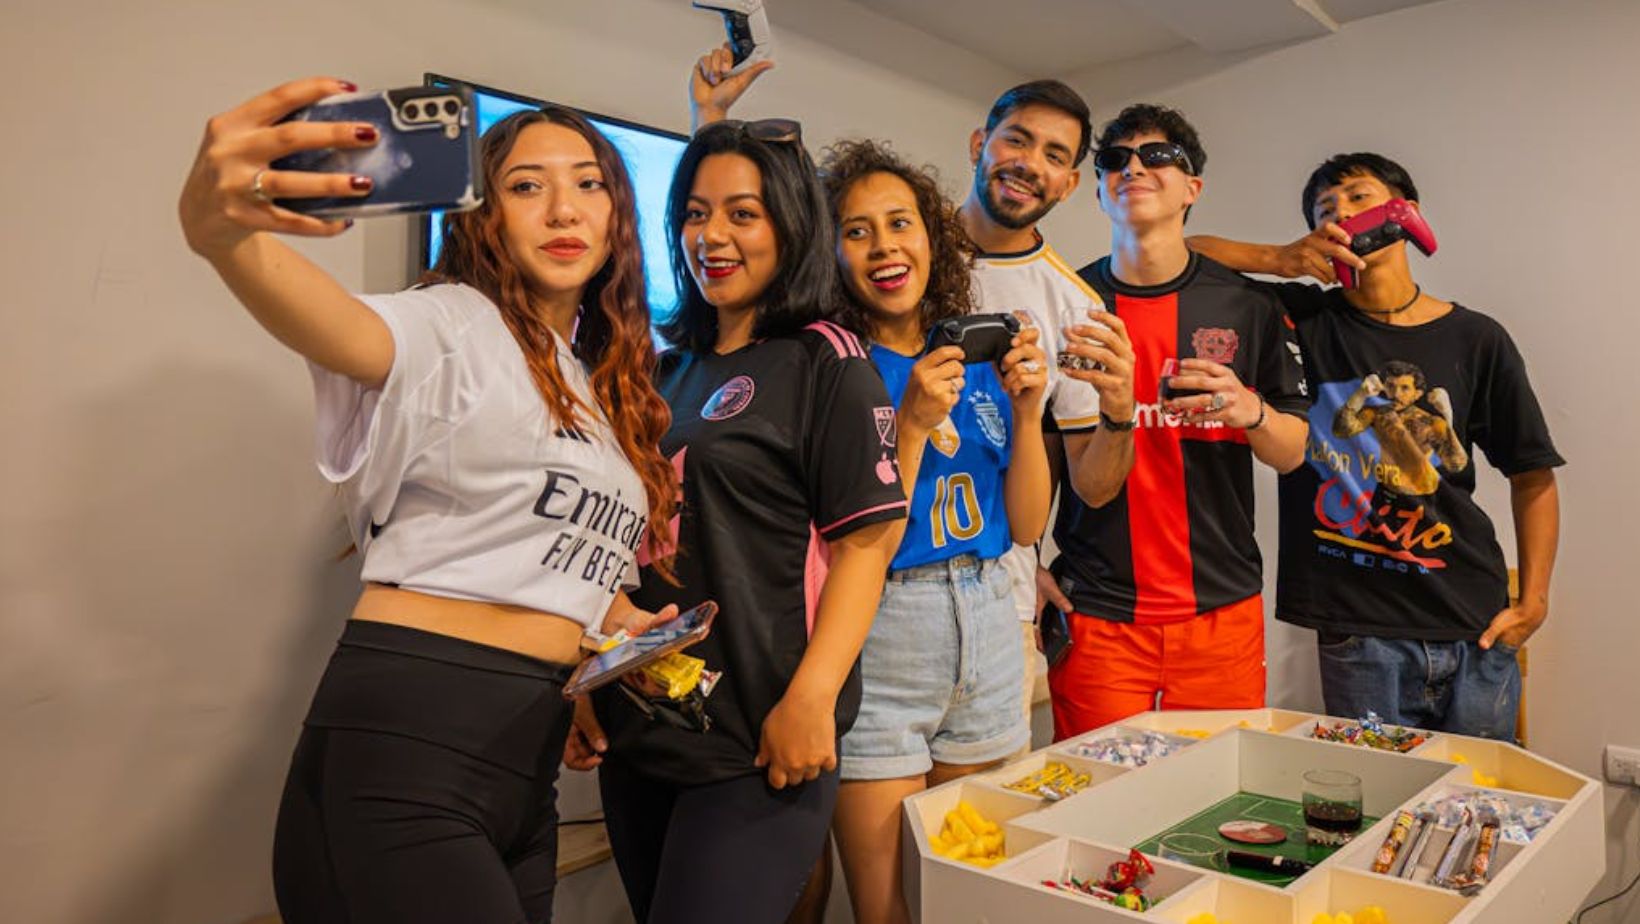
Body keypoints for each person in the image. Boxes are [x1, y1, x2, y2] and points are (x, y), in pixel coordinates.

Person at [178, 77, 679, 924]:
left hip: (529, 758)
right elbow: (341, 325)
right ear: (486, 212)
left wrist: (614, 626)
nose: (564, 208)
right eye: (527, 186)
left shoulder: (591, 384)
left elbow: (531, 554)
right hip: (411, 744)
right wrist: (221, 231)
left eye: (588, 183)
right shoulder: (451, 322)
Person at [688, 48, 1138, 749]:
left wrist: (1112, 410)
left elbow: (1065, 496)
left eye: (1054, 153)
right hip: (868, 610)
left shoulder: (1065, 307)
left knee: (972, 845)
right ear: (978, 145)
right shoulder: (831, 353)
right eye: (1016, 137)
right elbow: (765, 229)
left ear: (1072, 180)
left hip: (996, 603)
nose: (886, 248)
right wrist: (710, 122)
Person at [570, 118, 909, 924]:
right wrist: (588, 678)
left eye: (741, 214)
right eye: (693, 213)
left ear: (790, 224)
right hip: (641, 731)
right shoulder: (661, 367)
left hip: (760, 739)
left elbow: (867, 543)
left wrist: (813, 699)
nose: (710, 236)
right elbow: (610, 546)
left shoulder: (829, 360)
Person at [1187, 152, 1563, 740]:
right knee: (1377, 808)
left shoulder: (1476, 337)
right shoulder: (1300, 319)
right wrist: (1281, 260)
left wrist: (1533, 600)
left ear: (1404, 213)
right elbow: (1187, 256)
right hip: (1357, 627)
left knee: (1483, 800)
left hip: (1474, 617)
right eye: (1326, 210)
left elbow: (1532, 472)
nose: (1343, 214)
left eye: (1359, 198)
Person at [818, 139, 1050, 924]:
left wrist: (1027, 411)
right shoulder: (832, 369)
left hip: (987, 620)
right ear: (829, 251)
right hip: (882, 629)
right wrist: (912, 425)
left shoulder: (972, 356)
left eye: (901, 223)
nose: (885, 246)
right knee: (885, 905)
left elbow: (1024, 525)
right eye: (856, 230)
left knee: (970, 895)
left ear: (932, 236)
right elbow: (863, 536)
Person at [1043, 103, 1311, 740]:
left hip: (1220, 609)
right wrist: (1023, 565)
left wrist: (1253, 412)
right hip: (1099, 611)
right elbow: (1025, 450)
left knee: (1217, 810)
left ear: (1193, 188)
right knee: (1094, 804)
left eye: (1157, 156)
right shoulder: (1067, 305)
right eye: (1114, 159)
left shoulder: (1248, 304)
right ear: (1101, 189)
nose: (1133, 167)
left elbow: (1295, 450)